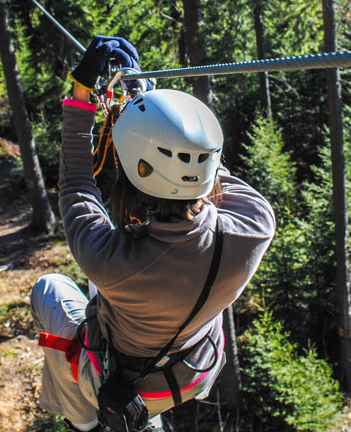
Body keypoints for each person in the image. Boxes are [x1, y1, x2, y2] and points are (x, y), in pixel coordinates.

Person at [30, 36, 275, 432]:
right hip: (193, 372)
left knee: (48, 288)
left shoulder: (111, 261)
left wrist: (81, 94)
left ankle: (82, 419)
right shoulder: (254, 226)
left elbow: (77, 184)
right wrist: (154, 109)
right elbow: (210, 173)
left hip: (125, 379)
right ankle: (146, 421)